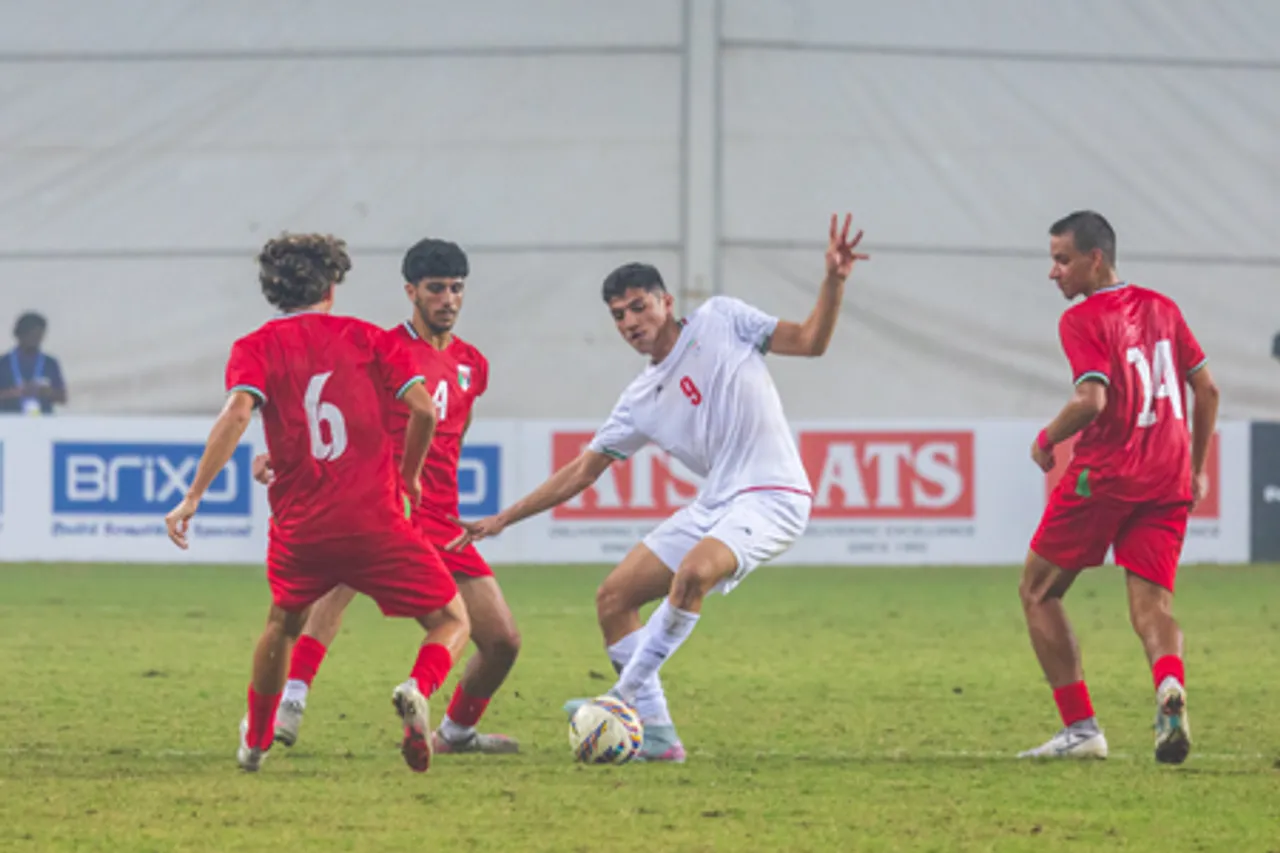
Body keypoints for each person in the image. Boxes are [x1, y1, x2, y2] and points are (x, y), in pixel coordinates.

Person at [449, 214, 868, 762]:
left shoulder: (722, 319)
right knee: (614, 598)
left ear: (667, 302)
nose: (629, 321)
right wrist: (504, 518)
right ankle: (662, 737)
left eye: (638, 306)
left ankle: (619, 700)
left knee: (693, 573)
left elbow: (811, 342)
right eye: (619, 315)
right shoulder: (641, 398)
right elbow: (582, 471)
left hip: (775, 496)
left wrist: (833, 281)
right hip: (717, 503)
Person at [164, 233, 470, 774]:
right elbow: (423, 412)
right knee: (450, 620)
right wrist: (411, 478)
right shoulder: (369, 338)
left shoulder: (255, 346)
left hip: (301, 529)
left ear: (273, 290)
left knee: (282, 624)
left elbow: (237, 415)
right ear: (332, 285)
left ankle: (256, 740)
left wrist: (192, 497)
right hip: (376, 522)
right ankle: (417, 687)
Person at [267, 238, 520, 755]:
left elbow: (457, 432)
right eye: (435, 289)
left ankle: (454, 732)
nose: (447, 299)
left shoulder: (473, 364)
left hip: (443, 517)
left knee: (501, 642)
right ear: (411, 292)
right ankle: (291, 701)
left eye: (456, 289)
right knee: (334, 589)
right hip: (387, 501)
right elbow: (330, 415)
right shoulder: (379, 349)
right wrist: (285, 458)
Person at [1017, 211, 1219, 764]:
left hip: (1106, 475)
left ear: (1094, 259)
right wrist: (1197, 468)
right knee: (1151, 606)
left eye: (1062, 260)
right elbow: (1206, 391)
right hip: (1169, 476)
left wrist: (1045, 439)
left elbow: (1092, 400)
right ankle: (1168, 686)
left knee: (1038, 590)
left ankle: (1081, 729)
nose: (1053, 273)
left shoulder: (1082, 320)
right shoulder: (1164, 307)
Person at [0, 312, 67, 415]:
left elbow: (63, 398)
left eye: (39, 336)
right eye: (31, 336)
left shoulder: (50, 363)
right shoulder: (3, 363)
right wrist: (16, 393)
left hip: (43, 421)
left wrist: (45, 392)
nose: (35, 340)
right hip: (10, 422)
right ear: (20, 335)